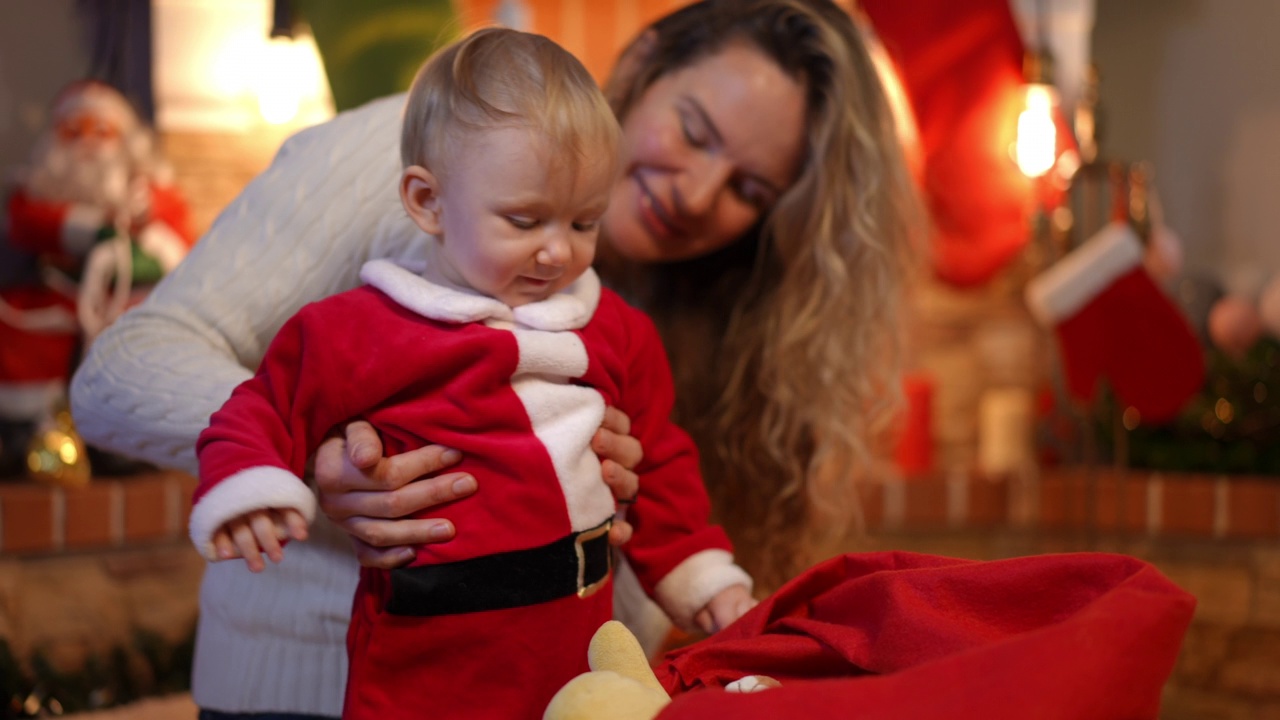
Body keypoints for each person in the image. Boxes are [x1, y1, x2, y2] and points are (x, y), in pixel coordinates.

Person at [69, 0, 921, 717]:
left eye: (748, 190)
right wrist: (319, 464)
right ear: (647, 63)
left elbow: (646, 515)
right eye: (694, 131)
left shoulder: (634, 313)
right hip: (309, 686)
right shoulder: (404, 159)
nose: (695, 193)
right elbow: (125, 368)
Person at [188, 27, 755, 719]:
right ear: (427, 202)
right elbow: (261, 409)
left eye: (584, 223)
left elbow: (661, 462)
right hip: (423, 665)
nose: (557, 252)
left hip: (571, 660)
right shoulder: (356, 330)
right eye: (524, 220)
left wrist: (704, 579)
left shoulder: (616, 330)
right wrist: (251, 485)